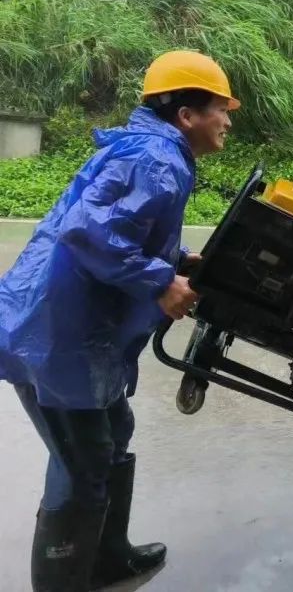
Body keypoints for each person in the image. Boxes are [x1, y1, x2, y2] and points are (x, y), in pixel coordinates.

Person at [0, 49, 239, 592]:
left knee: (113, 433)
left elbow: (122, 231)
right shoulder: (157, 160)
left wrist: (174, 263)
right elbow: (87, 231)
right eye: (221, 109)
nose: (228, 120)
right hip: (58, 337)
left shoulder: (153, 151)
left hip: (73, 330)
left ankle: (107, 560)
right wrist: (160, 282)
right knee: (82, 464)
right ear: (186, 115)